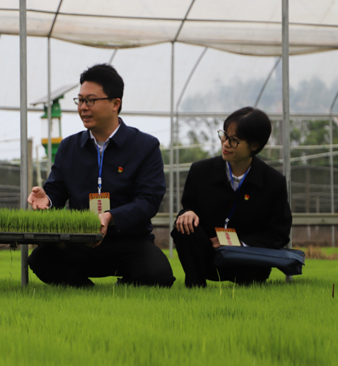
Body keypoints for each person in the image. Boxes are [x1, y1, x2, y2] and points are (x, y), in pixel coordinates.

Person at [27, 64, 175, 288]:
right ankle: (85, 290)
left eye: (91, 100)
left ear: (116, 103)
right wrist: (46, 199)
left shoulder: (145, 146)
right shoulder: (69, 147)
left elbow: (149, 200)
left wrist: (109, 216)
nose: (83, 107)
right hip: (80, 241)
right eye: (80, 100)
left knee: (159, 273)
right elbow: (56, 190)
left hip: (129, 241)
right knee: (40, 259)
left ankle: (123, 285)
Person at [171, 106, 292, 288]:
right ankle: (195, 286)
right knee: (183, 227)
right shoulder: (200, 172)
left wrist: (237, 242)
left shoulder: (273, 182)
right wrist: (187, 213)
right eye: (224, 136)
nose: (225, 144)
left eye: (234, 140)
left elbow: (279, 233)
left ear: (255, 145)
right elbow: (190, 206)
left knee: (250, 277)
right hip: (208, 256)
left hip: (248, 262)